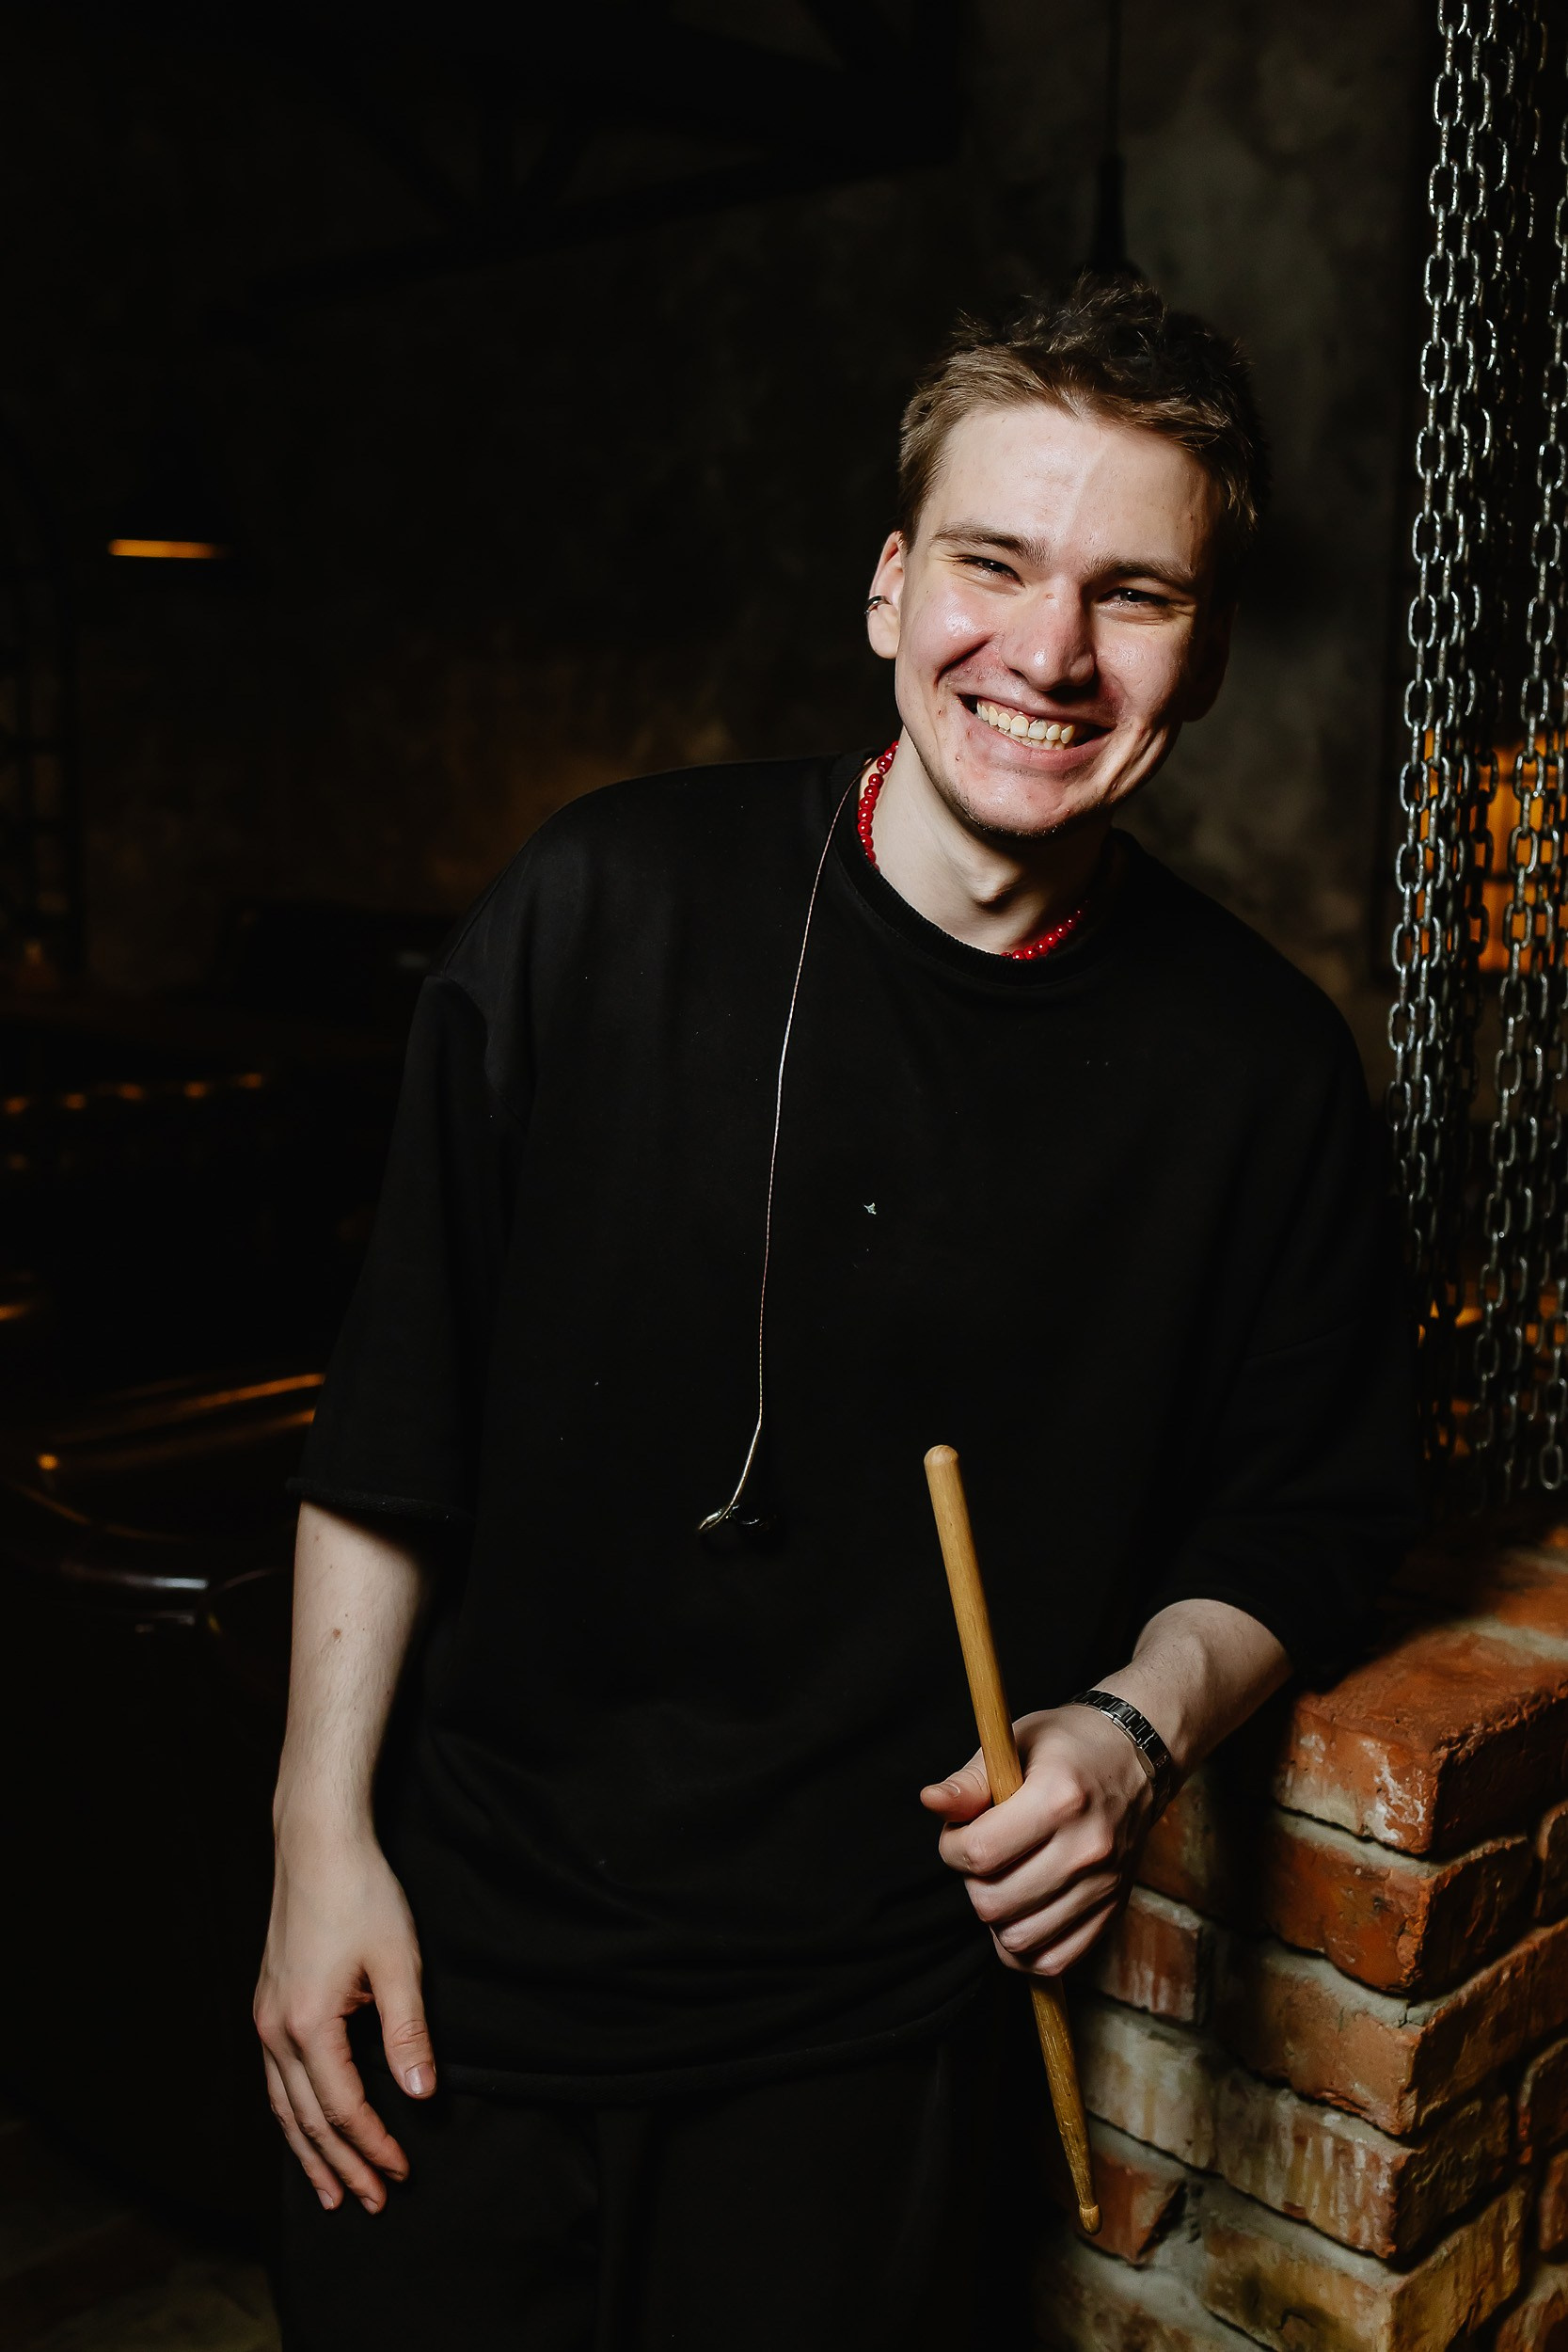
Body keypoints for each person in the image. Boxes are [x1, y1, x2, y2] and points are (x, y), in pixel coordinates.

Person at [257, 278, 1418, 2350]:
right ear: (891, 589)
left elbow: (1311, 1517)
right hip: (454, 1962)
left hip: (867, 2039)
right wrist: (314, 1839)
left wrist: (1132, 1731)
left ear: (1211, 650)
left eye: (1135, 593)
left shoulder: (1263, 1073)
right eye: (996, 562)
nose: (1048, 652)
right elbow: (394, 1418)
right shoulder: (597, 904)